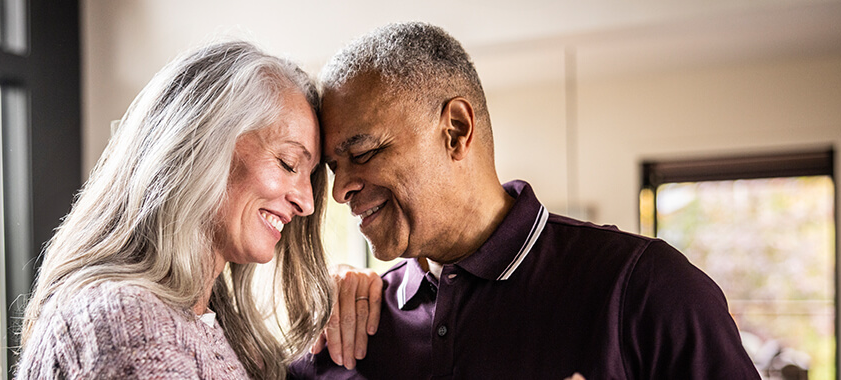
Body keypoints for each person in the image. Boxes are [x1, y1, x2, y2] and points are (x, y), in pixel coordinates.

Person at [290, 22, 760, 379]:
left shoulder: (647, 288)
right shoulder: (346, 329)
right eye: (334, 167)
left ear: (455, 131)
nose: (339, 189)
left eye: (364, 153)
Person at [17, 41, 334, 379]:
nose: (306, 201)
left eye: (309, 175)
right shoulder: (127, 323)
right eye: (288, 163)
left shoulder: (216, 328)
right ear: (202, 144)